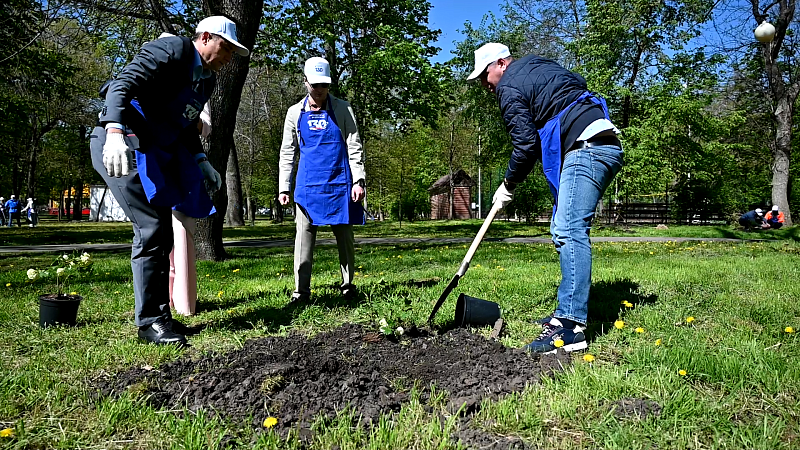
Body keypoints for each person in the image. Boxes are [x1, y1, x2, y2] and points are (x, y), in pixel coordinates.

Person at [90, 16, 248, 345]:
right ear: (206, 37)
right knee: (151, 228)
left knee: (163, 232)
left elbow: (185, 124)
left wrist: (201, 159)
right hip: (122, 144)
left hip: (153, 151)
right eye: (226, 48)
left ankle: (161, 317)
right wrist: (114, 131)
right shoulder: (173, 49)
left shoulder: (206, 82)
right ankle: (149, 324)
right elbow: (123, 84)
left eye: (233, 52)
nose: (228, 57)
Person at [468, 43, 624, 354]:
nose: (485, 85)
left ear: (501, 64)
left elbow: (526, 145)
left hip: (587, 149)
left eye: (485, 75)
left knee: (568, 230)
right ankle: (566, 312)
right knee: (562, 227)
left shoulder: (508, 87)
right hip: (602, 143)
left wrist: (508, 184)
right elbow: (577, 83)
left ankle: (570, 327)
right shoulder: (537, 65)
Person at [278, 57, 365, 303]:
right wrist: (284, 187)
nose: (319, 90)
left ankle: (348, 285)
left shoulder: (343, 109)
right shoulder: (294, 113)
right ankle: (300, 291)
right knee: (303, 239)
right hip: (308, 187)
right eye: (315, 85)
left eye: (324, 85)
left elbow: (354, 146)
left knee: (345, 239)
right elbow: (287, 152)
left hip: (340, 184)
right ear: (305, 82)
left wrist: (358, 180)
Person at [169, 102, 214, 316]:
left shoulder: (197, 93)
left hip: (184, 163)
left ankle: (186, 305)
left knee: (182, 234)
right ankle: (164, 301)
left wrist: (187, 116)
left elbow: (205, 128)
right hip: (156, 159)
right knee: (158, 236)